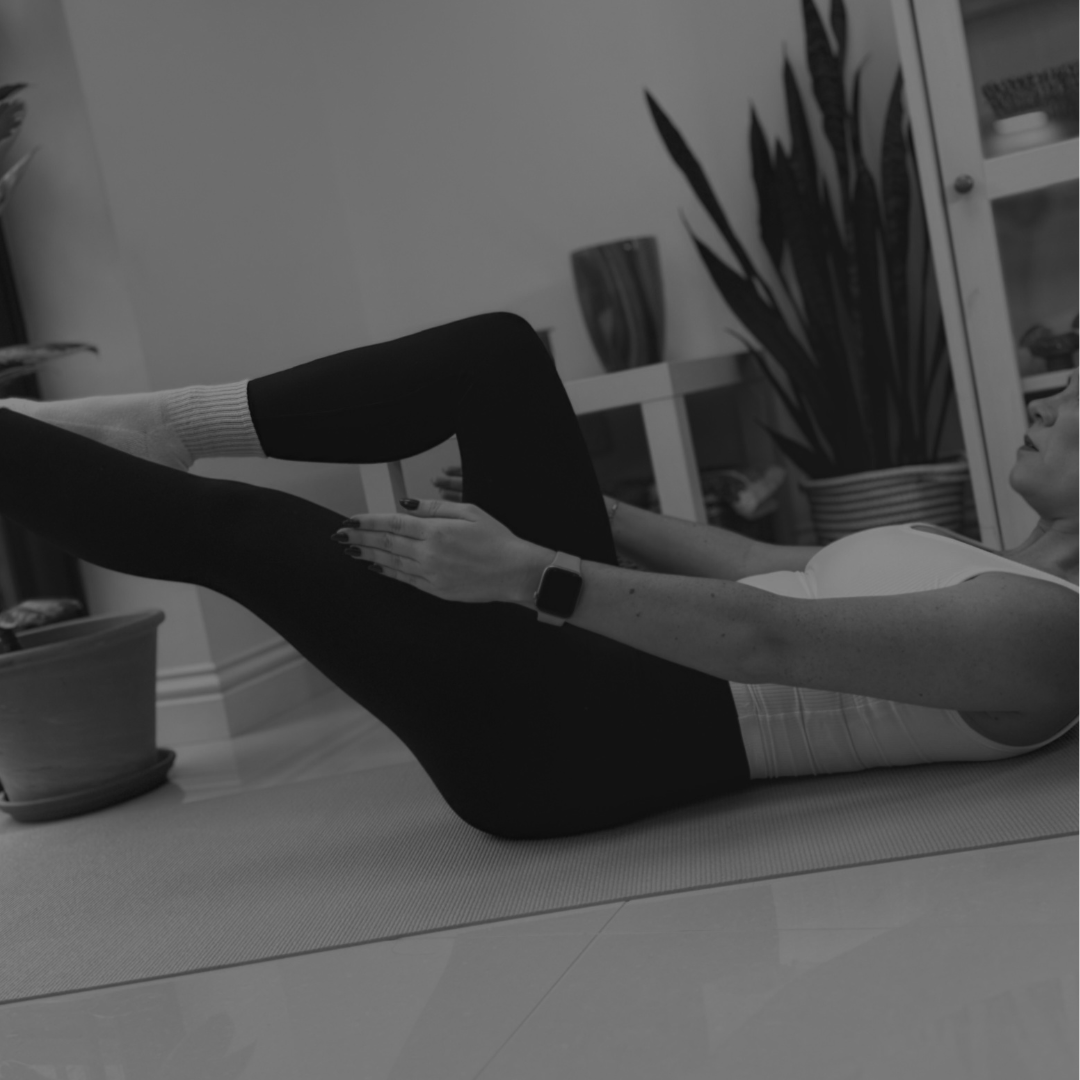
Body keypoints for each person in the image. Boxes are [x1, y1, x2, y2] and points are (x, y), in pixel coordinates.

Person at [1, 312, 1076, 839]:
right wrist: (596, 511)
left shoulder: (1050, 633)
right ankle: (175, 425)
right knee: (498, 359)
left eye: (1076, 401)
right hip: (623, 670)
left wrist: (533, 575)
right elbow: (776, 570)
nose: (1046, 401)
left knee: (255, 533)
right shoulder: (995, 559)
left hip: (587, 745)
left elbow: (771, 639)